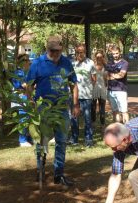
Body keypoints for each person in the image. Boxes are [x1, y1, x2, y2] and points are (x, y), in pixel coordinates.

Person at [26, 35, 80, 187]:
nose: (55, 53)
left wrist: (76, 105)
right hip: (44, 109)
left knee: (61, 141)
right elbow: (29, 85)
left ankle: (59, 174)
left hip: (62, 108)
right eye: (52, 50)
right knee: (42, 140)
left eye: (58, 51)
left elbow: (73, 84)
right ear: (47, 49)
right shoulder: (37, 63)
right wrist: (30, 102)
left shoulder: (66, 63)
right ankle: (40, 170)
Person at [69, 43, 96, 147]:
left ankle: (88, 140)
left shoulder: (90, 63)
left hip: (87, 96)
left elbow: (94, 79)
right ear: (76, 52)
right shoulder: (72, 64)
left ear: (85, 52)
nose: (80, 54)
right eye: (78, 52)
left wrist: (88, 88)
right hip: (75, 96)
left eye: (82, 52)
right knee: (74, 118)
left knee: (87, 119)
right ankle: (74, 139)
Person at [11, 54, 33, 147]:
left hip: (27, 96)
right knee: (23, 118)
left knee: (29, 117)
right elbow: (23, 85)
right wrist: (29, 86)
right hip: (21, 97)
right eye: (26, 60)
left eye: (28, 60)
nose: (28, 62)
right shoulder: (18, 73)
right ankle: (22, 140)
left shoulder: (27, 72)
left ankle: (28, 138)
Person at [105, 46, 129, 123]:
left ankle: (127, 130)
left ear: (120, 53)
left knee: (124, 112)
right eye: (113, 54)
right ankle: (117, 130)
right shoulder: (109, 63)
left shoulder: (124, 63)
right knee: (115, 112)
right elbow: (105, 76)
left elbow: (121, 75)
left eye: (116, 53)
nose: (115, 55)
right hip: (111, 91)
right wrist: (114, 75)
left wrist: (110, 76)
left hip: (121, 90)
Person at [91, 49, 107, 128]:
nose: (99, 58)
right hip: (94, 88)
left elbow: (107, 78)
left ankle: (102, 124)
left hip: (103, 88)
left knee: (102, 108)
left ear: (103, 57)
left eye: (101, 57)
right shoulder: (92, 65)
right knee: (93, 107)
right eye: (97, 57)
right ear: (95, 57)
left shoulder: (106, 66)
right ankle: (93, 122)